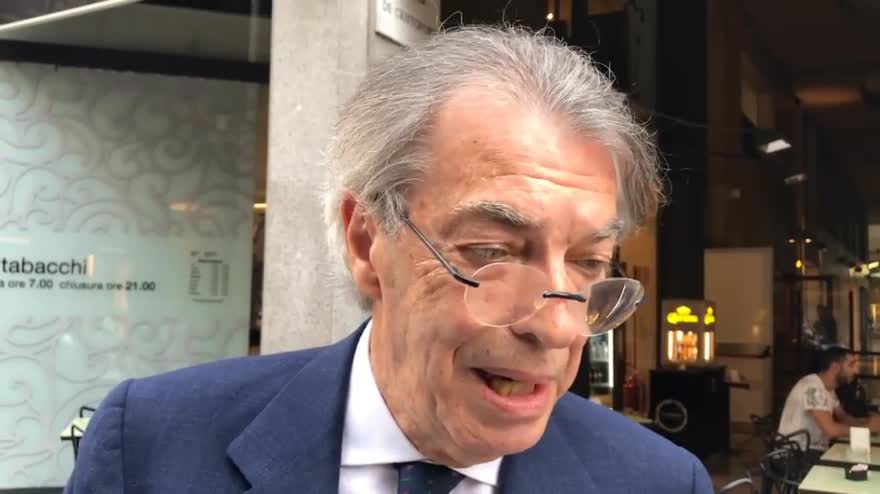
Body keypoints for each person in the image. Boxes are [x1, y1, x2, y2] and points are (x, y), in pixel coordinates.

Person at [65, 26, 713, 493]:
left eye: (589, 262)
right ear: (366, 241)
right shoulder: (151, 447)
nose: (559, 327)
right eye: (492, 253)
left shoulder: (658, 482)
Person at [778, 345, 880, 458]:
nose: (855, 371)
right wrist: (868, 429)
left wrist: (867, 422)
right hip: (794, 456)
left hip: (809, 452)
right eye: (851, 365)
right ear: (835, 367)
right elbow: (830, 430)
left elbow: (844, 418)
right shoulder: (813, 388)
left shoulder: (828, 390)